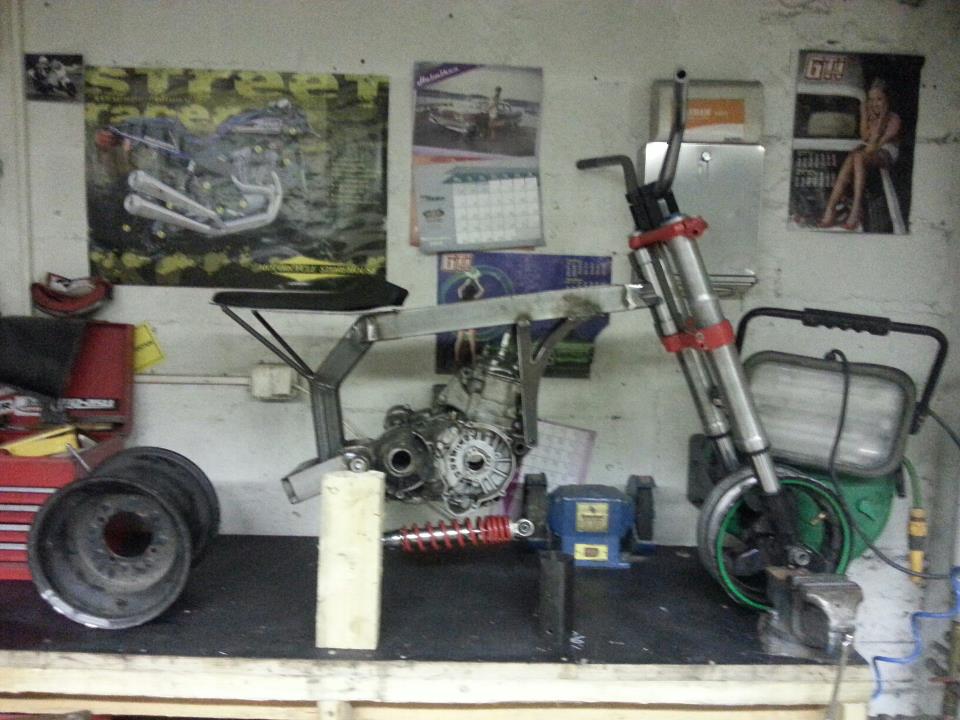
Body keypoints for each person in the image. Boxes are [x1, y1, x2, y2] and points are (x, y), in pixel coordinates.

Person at [819, 78, 901, 230]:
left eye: (879, 99)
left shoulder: (894, 119)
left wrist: (881, 119)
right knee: (852, 157)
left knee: (857, 156)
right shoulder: (869, 114)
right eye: (871, 100)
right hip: (869, 148)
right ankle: (830, 208)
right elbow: (864, 137)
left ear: (887, 100)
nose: (875, 103)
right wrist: (864, 114)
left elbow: (874, 146)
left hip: (886, 152)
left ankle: (856, 209)